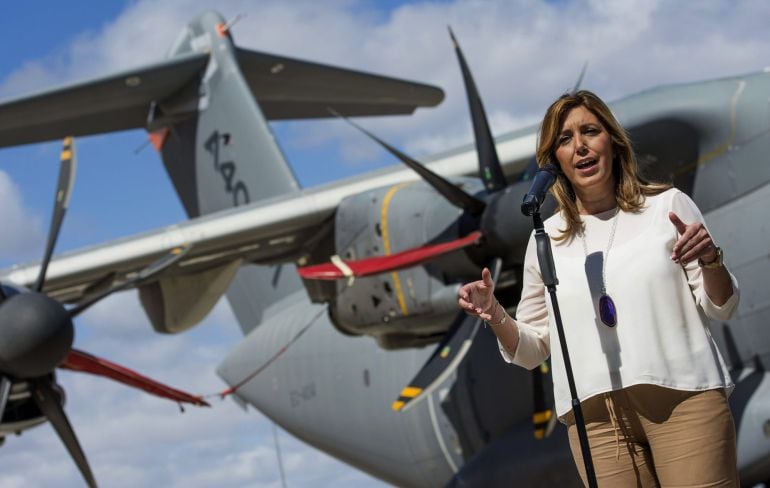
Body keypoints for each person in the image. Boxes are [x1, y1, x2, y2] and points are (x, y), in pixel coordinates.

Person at [458, 90, 740, 486]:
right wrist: (495, 314)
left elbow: (721, 306)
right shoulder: (547, 238)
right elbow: (531, 348)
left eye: (590, 131)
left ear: (613, 142)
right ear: (554, 160)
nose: (580, 146)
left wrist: (711, 259)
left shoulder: (667, 207)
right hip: (597, 421)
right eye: (565, 139)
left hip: (683, 400)